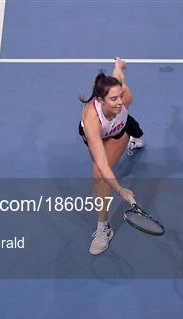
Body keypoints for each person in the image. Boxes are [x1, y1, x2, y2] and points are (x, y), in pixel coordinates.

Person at [78, 57, 145, 255]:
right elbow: (102, 163)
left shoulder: (124, 96)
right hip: (101, 134)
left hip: (119, 130)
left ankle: (132, 138)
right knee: (100, 174)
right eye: (113, 99)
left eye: (119, 96)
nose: (119, 102)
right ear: (100, 100)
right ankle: (103, 229)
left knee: (133, 130)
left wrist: (119, 67)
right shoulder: (92, 120)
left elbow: (118, 78)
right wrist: (120, 190)